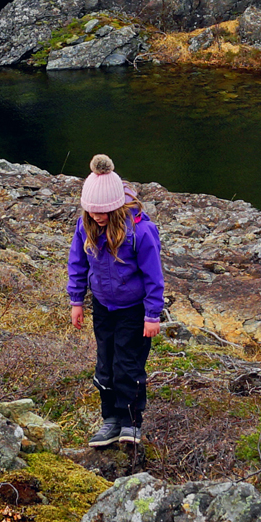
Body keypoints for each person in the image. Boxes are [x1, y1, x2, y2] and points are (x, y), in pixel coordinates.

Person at [66, 153, 164, 447]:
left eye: (103, 212)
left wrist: (152, 315)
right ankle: (110, 420)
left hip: (133, 310)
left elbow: (153, 276)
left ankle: (130, 422)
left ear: (116, 207)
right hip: (103, 307)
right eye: (92, 211)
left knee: (127, 364)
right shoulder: (86, 227)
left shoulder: (141, 231)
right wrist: (76, 301)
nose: (97, 216)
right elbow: (77, 263)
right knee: (105, 363)